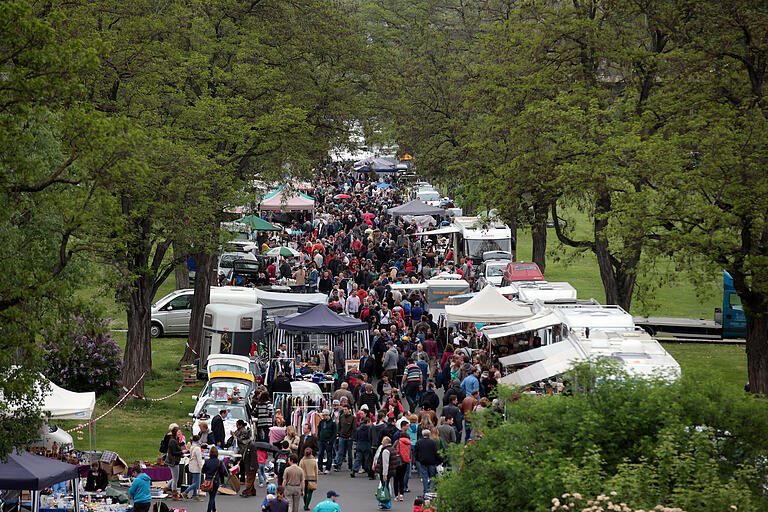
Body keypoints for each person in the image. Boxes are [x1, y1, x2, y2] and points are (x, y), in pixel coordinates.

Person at [414, 430, 441, 495]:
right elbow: (436, 452)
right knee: (432, 476)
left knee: (424, 476)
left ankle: (426, 491)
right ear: (429, 435)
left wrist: (418, 459)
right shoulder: (433, 442)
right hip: (432, 461)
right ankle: (431, 490)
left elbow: (415, 452)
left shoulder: (419, 442)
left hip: (423, 461)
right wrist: (440, 460)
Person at [373, 437, 397, 510]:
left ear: (386, 442)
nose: (381, 443)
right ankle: (385, 502)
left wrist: (384, 474)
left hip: (385, 472)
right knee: (386, 486)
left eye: (382, 441)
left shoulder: (385, 451)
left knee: (384, 487)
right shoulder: (392, 449)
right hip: (391, 471)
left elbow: (385, 464)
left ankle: (385, 502)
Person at [202, 446, 226, 512]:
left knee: (211, 496)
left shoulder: (207, 461)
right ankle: (209, 510)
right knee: (212, 497)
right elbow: (222, 472)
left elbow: (203, 470)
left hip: (208, 481)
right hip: (215, 480)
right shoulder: (219, 462)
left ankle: (214, 509)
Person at [334, 403, 356, 472]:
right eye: (344, 409)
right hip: (342, 437)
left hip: (349, 437)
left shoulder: (353, 418)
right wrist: (338, 434)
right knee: (340, 451)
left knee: (349, 452)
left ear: (349, 410)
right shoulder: (341, 417)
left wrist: (351, 436)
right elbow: (339, 426)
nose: (344, 411)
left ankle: (351, 466)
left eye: (346, 409)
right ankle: (338, 465)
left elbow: (354, 428)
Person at [166, 426, 184, 500]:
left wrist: (181, 444)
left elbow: (176, 448)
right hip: (173, 461)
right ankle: (174, 494)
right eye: (178, 432)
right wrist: (182, 452)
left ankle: (166, 488)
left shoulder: (174, 440)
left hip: (174, 461)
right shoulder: (172, 441)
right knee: (175, 479)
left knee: (174, 477)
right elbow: (174, 452)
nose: (179, 433)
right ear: (175, 433)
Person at [317, 409, 337, 474]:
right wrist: (318, 438)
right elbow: (319, 430)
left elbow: (334, 433)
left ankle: (328, 468)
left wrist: (330, 440)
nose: (323, 417)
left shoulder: (333, 422)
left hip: (328, 441)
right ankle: (320, 469)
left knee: (329, 455)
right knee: (320, 454)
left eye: (324, 415)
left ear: (328, 415)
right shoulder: (322, 422)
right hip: (321, 441)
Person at [186, 435, 203, 501]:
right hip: (196, 467)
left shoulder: (192, 446)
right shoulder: (197, 448)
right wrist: (201, 468)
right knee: (197, 482)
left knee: (195, 481)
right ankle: (186, 492)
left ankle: (195, 495)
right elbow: (199, 460)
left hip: (192, 466)